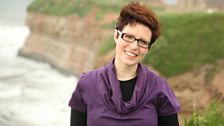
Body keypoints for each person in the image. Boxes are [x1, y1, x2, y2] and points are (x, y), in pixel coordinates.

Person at [68, 2, 180, 126]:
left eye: (143, 42)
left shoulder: (159, 88)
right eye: (129, 36)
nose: (134, 46)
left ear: (148, 48)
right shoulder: (87, 84)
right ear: (116, 35)